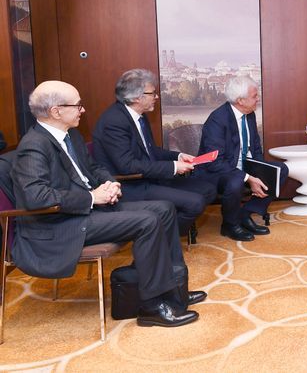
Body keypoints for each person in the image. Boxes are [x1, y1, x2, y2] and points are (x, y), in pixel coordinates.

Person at [11, 81, 206, 327]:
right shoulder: (34, 145)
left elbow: (94, 168)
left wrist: (111, 184)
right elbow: (37, 197)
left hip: (86, 211)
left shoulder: (70, 135)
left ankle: (173, 288)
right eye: (77, 105)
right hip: (62, 223)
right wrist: (93, 197)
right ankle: (152, 306)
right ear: (55, 111)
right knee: (147, 221)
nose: (83, 110)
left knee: (164, 208)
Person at [93, 69, 217, 239]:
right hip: (130, 185)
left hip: (148, 177)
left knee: (208, 189)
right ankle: (161, 240)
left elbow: (150, 151)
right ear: (137, 98)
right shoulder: (114, 121)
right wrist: (173, 167)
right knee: (195, 203)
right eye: (152, 93)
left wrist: (177, 157)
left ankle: (164, 233)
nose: (156, 97)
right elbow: (127, 166)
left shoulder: (139, 116)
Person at [195, 75, 288, 241]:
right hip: (215, 172)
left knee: (280, 170)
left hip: (242, 166)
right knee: (236, 181)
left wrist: (261, 171)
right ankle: (229, 225)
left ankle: (245, 214)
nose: (258, 99)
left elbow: (256, 148)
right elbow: (215, 162)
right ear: (240, 100)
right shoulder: (217, 120)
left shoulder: (249, 114)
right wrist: (248, 177)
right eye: (254, 96)